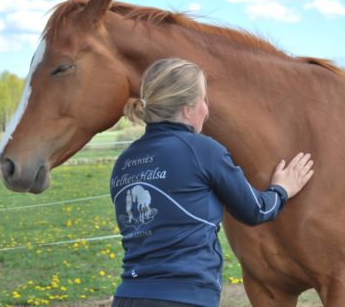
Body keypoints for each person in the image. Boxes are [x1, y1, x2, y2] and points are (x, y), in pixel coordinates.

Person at [110, 58, 314, 307]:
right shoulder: (202, 150)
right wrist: (282, 189)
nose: (206, 109)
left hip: (127, 296)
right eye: (203, 100)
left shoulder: (125, 160)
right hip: (184, 298)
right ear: (187, 108)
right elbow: (256, 210)